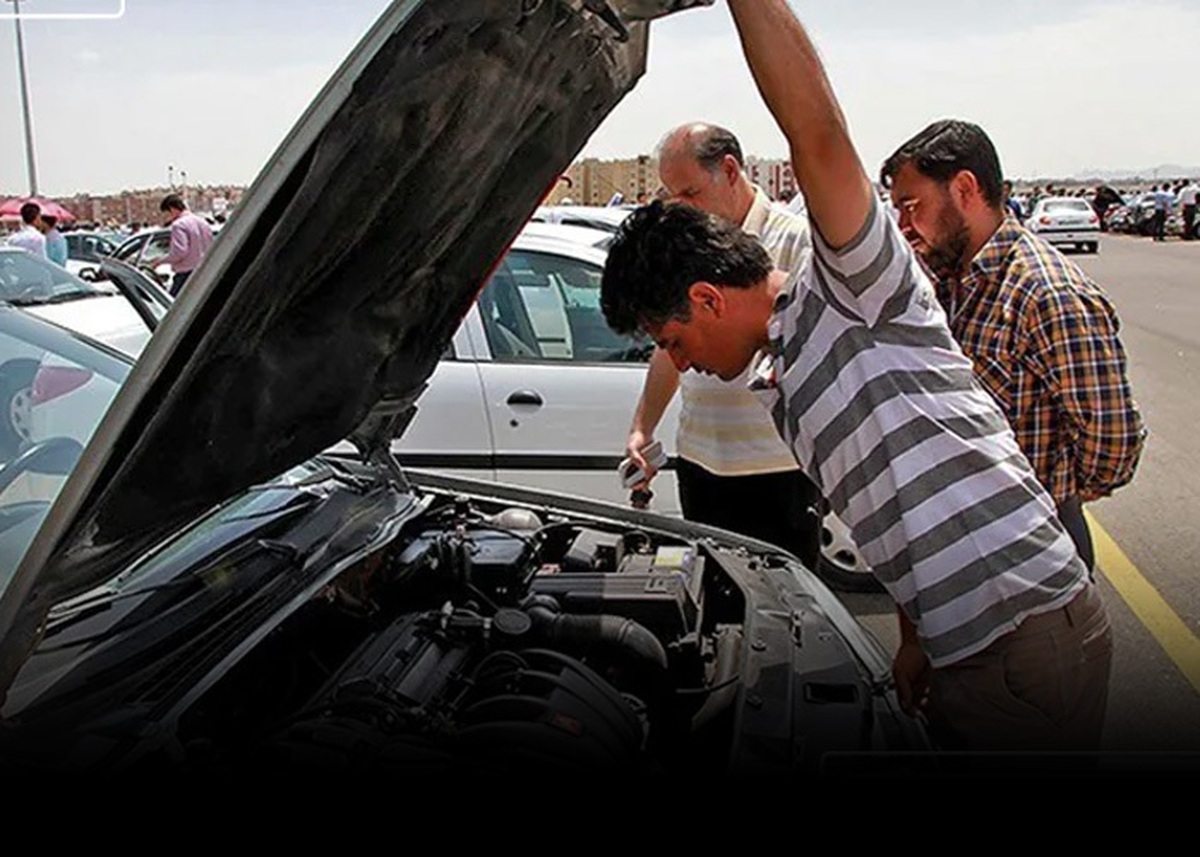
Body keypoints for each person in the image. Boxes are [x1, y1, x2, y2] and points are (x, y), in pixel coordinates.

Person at [600, 0, 1111, 754]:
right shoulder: (784, 386)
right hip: (963, 646)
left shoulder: (854, 287)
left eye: (674, 341)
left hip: (1019, 637)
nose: (679, 362)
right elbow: (898, 518)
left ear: (708, 297)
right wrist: (913, 639)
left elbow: (817, 130)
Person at [880, 120, 1146, 572]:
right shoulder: (950, 281)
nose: (903, 225)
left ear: (965, 188)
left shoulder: (1047, 294)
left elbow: (1112, 443)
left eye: (911, 207)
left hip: (1034, 543)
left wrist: (1048, 494)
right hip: (965, 533)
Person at [625, 121, 822, 571]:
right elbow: (667, 346)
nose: (680, 207)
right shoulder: (685, 248)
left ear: (730, 170)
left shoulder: (795, 240)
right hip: (701, 462)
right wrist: (642, 428)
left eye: (689, 193)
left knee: (784, 608)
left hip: (777, 470)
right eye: (670, 195)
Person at [159, 193, 215, 295]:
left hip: (186, 274)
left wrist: (159, 261)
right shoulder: (202, 222)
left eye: (167, 213)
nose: (168, 217)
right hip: (205, 271)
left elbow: (179, 252)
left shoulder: (178, 225)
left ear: (172, 209)